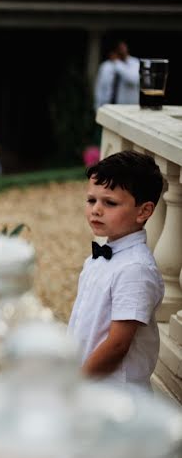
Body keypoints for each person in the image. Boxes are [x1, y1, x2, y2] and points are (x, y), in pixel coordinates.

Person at [68, 150, 165, 390]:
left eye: (109, 203)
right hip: (90, 383)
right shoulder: (100, 255)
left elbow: (118, 345)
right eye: (92, 200)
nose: (96, 210)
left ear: (143, 211)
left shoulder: (135, 270)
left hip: (116, 393)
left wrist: (75, 384)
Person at [94, 40, 140, 111]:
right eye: (119, 49)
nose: (122, 51)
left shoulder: (135, 63)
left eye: (123, 48)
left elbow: (133, 80)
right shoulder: (106, 66)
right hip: (108, 108)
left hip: (129, 109)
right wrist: (97, 108)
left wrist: (117, 63)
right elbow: (100, 88)